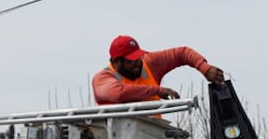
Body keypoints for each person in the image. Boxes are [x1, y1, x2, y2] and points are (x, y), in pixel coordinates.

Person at [92, 35, 226, 104]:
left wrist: (204, 68)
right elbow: (118, 93)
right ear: (116, 61)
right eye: (131, 60)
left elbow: (181, 53)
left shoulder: (148, 63)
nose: (137, 63)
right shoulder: (102, 79)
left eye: (138, 57)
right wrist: (157, 90)